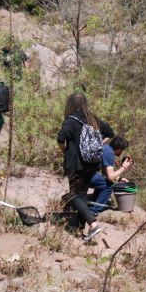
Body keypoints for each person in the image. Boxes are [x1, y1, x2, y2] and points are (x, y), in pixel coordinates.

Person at [56, 93, 114, 242]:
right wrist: (98, 145)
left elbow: (60, 138)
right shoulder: (93, 119)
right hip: (92, 164)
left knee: (74, 195)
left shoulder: (70, 120)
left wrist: (65, 151)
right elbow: (110, 133)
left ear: (71, 105)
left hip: (76, 165)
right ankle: (79, 229)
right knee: (81, 195)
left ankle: (93, 225)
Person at [90, 135, 133, 217]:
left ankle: (93, 203)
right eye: (122, 150)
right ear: (119, 148)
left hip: (84, 172)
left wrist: (119, 178)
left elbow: (105, 172)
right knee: (108, 185)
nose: (122, 152)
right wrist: (124, 167)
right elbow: (110, 177)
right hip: (87, 175)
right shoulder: (109, 153)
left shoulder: (106, 148)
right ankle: (94, 211)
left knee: (103, 182)